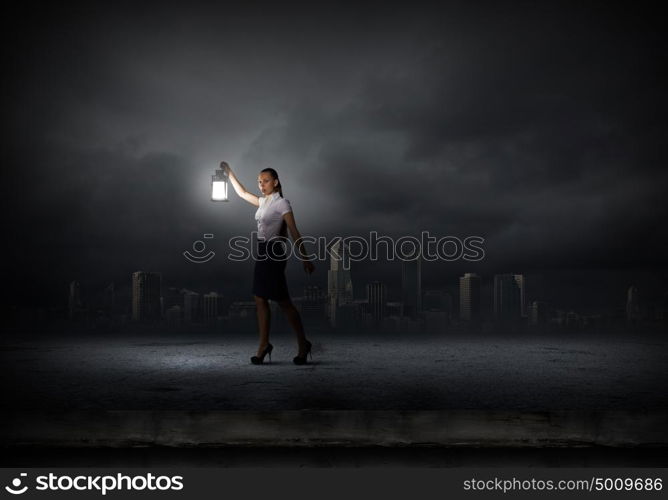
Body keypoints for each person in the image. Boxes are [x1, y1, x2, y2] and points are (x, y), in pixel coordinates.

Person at [220, 161, 315, 365]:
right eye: (259, 182)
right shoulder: (263, 202)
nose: (261, 185)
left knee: (283, 302)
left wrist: (305, 257)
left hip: (275, 253)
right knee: (260, 299)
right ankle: (264, 345)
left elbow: (294, 232)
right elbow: (243, 193)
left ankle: (302, 344)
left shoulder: (283, 204)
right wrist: (229, 173)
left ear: (276, 182)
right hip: (262, 252)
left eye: (265, 181)